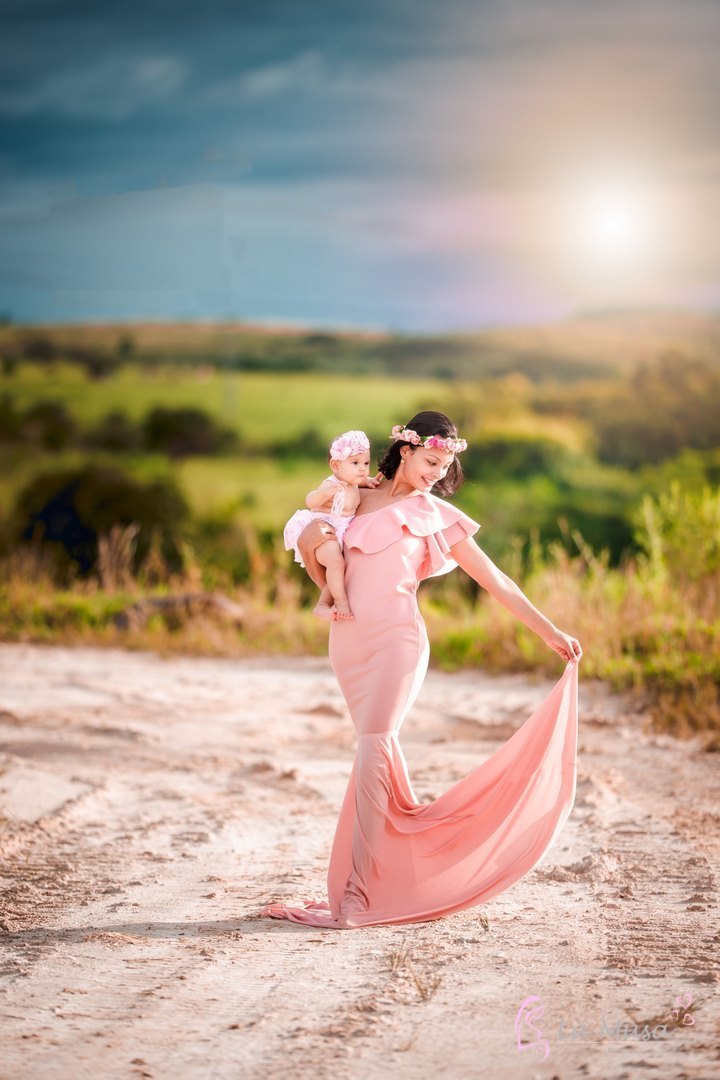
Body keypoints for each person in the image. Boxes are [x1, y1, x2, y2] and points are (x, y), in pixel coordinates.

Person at [262, 410, 583, 929]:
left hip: (397, 641)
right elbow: (313, 548)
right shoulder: (353, 498)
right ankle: (383, 879)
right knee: (377, 755)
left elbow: (495, 578)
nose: (437, 473)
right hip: (347, 640)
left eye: (445, 466)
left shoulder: (433, 513)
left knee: (373, 745)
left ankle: (359, 896)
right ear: (406, 450)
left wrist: (550, 632)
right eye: (432, 461)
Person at [282, 429, 380, 620]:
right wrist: (324, 494)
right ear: (335, 466)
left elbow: (356, 483)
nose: (362, 469)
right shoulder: (332, 484)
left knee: (342, 567)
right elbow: (310, 500)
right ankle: (341, 602)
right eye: (355, 463)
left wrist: (367, 481)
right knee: (336, 563)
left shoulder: (352, 481)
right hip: (324, 529)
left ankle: (322, 605)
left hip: (340, 531)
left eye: (366, 463)